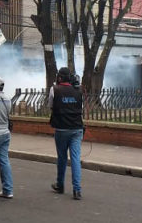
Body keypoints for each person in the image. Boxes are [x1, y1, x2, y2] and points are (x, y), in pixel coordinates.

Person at [48, 67, 84, 200]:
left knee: (62, 158)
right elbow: (81, 107)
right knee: (75, 158)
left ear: (60, 77)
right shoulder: (79, 90)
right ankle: (77, 190)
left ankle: (60, 184)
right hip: (76, 129)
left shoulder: (54, 89)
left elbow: (50, 106)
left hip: (61, 128)